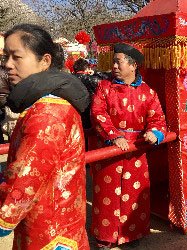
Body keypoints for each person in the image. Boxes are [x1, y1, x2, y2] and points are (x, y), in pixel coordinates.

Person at [0, 24, 89, 249]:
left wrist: (4, 215)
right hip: (60, 220)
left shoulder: (48, 112)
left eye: (16, 57)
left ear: (45, 61)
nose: (8, 65)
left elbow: (26, 177)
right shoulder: (46, 103)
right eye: (6, 57)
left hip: (49, 230)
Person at [90, 43, 167, 249]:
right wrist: (113, 136)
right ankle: (105, 236)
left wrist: (154, 133)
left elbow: (158, 119)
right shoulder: (104, 87)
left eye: (119, 61)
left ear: (133, 66)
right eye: (113, 61)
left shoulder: (148, 92)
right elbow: (98, 113)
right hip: (109, 150)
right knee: (106, 193)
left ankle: (132, 234)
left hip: (136, 152)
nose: (114, 65)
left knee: (134, 194)